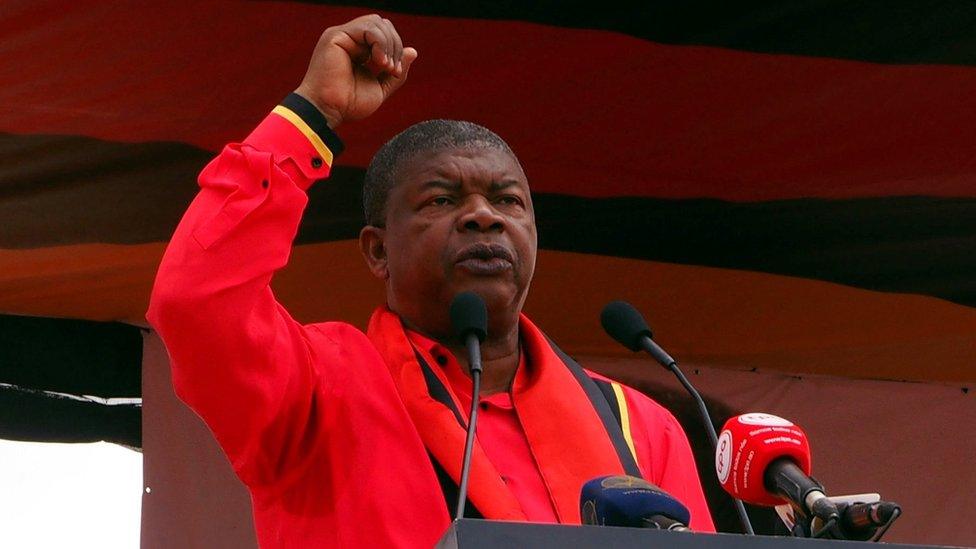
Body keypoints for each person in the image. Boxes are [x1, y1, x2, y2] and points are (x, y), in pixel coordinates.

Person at [148, 14, 715, 548]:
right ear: (377, 251)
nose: (483, 216)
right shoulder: (316, 386)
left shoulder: (640, 425)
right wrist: (311, 114)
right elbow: (195, 300)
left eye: (507, 201)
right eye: (442, 199)